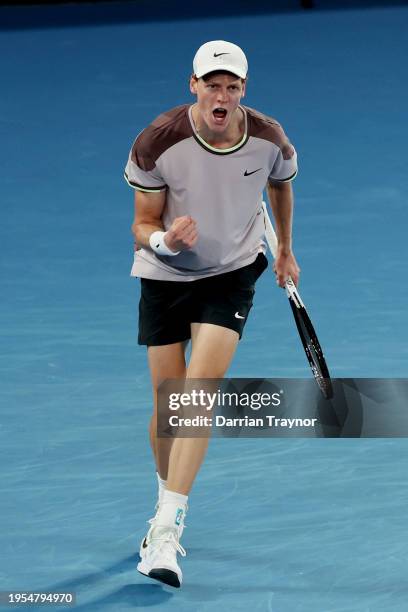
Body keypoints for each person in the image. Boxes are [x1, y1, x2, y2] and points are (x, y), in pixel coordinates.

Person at [124, 40, 300, 588]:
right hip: (167, 273)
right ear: (193, 85)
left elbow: (281, 185)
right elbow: (141, 222)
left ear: (242, 90)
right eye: (212, 84)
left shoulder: (268, 136)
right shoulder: (158, 141)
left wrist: (287, 249)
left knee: (199, 392)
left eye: (232, 86)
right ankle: (164, 503)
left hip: (232, 271)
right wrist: (166, 241)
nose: (221, 95)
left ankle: (168, 528)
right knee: (169, 404)